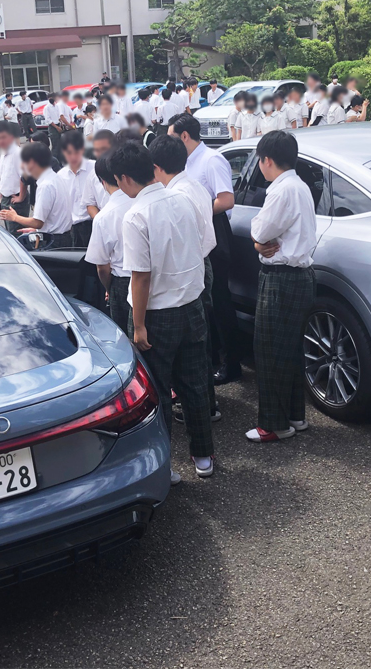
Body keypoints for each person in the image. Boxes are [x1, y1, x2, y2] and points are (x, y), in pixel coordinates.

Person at [113, 140, 214, 481]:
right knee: (195, 384)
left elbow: (140, 276)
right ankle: (203, 456)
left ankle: (165, 465)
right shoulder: (183, 198)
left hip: (156, 314)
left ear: (125, 178)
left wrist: (138, 326)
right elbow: (201, 246)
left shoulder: (136, 215)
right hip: (192, 305)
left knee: (156, 390)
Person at [246, 131, 317, 442]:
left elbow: (261, 231)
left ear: (267, 160)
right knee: (290, 350)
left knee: (270, 350)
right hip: (302, 275)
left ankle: (274, 425)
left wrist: (257, 242)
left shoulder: (280, 190)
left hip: (281, 278)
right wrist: (261, 242)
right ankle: (295, 416)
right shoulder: (299, 186)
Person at [150, 135, 221, 425]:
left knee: (193, 348)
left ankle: (202, 407)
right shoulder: (193, 185)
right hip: (201, 264)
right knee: (198, 344)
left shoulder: (178, 195)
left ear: (156, 167)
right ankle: (206, 405)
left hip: (192, 268)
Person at [169, 113, 242, 385]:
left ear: (185, 136)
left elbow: (226, 199)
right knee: (204, 303)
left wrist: (196, 212)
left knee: (219, 300)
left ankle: (231, 363)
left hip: (214, 230)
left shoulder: (211, 160)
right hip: (196, 232)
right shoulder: (185, 162)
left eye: (172, 136)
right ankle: (211, 359)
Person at [85, 156, 134, 335]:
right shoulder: (141, 201)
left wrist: (109, 288)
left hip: (121, 283)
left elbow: (102, 267)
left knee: (125, 338)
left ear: (102, 181)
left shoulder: (104, 217)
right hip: (154, 279)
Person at [0, 141, 73, 248]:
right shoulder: (55, 178)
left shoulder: (45, 186)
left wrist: (14, 217)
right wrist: (36, 230)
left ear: (32, 162)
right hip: (61, 237)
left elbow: (38, 222)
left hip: (53, 242)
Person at [57, 131, 96, 247]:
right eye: (69, 153)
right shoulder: (60, 176)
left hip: (93, 223)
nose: (73, 157)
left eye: (77, 152)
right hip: (72, 228)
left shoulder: (94, 169)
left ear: (83, 150)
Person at [0, 121, 26, 233]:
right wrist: (0, 196)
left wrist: (21, 197)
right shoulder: (4, 153)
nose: (0, 141)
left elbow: (24, 177)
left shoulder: (18, 153)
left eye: (3, 137)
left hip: (15, 200)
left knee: (16, 234)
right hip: (5, 198)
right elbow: (3, 176)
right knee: (8, 233)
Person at [85, 130, 115, 219]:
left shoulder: (124, 170)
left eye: (104, 149)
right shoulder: (92, 175)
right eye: (97, 150)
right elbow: (90, 204)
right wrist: (100, 219)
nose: (100, 153)